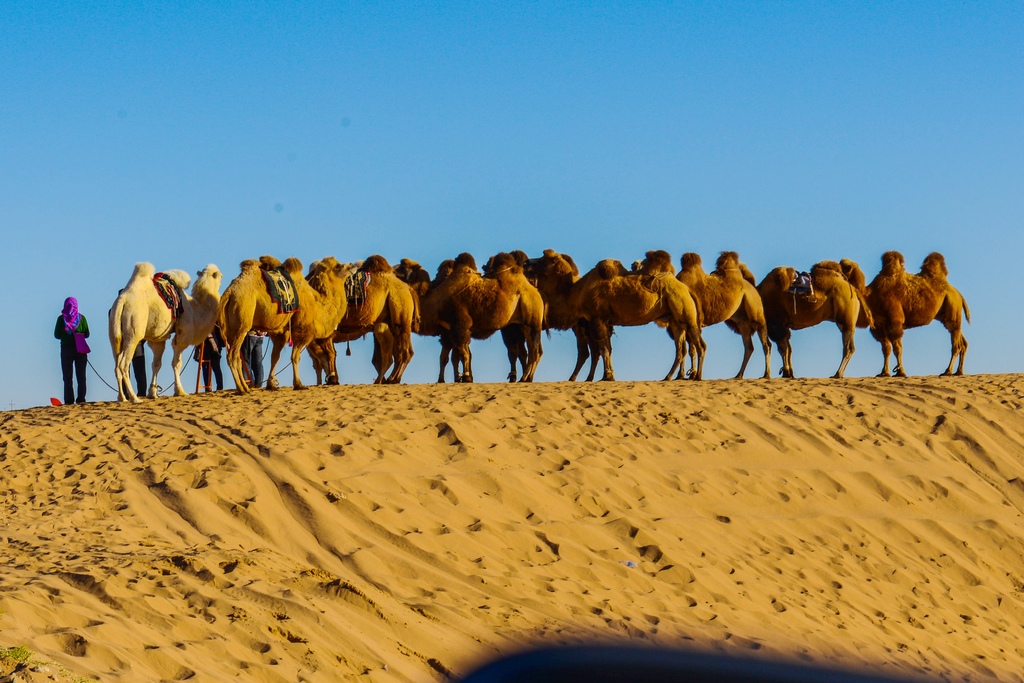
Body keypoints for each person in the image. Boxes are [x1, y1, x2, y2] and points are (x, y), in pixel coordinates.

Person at [54, 296, 90, 405]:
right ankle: (81, 399)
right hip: (80, 349)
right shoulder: (82, 318)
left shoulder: (61, 319)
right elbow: (87, 334)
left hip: (66, 349)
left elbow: (56, 335)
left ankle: (69, 401)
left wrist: (66, 334)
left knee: (67, 377)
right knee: (81, 376)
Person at [195, 326, 225, 392]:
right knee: (206, 368)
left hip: (213, 348)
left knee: (215, 367)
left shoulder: (215, 324)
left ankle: (219, 388)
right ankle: (208, 387)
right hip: (206, 347)